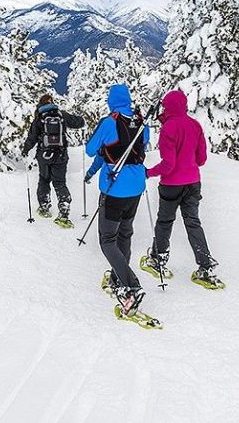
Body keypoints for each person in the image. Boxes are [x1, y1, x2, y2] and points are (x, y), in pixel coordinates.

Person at [142, 89, 221, 289]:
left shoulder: (168, 128)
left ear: (167, 107)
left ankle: (157, 259)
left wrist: (148, 172)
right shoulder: (195, 125)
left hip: (171, 185)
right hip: (193, 183)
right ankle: (205, 266)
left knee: (165, 221)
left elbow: (168, 164)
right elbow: (201, 159)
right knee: (193, 222)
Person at [85, 84, 151, 315]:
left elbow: (90, 150)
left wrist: (104, 145)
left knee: (107, 240)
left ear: (111, 101)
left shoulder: (109, 122)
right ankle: (117, 277)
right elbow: (143, 146)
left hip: (114, 189)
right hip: (136, 188)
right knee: (125, 233)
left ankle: (132, 286)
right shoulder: (143, 122)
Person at [21, 94, 85, 225]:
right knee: (60, 182)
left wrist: (25, 150)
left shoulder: (39, 118)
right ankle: (64, 211)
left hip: (44, 156)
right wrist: (82, 119)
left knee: (44, 180)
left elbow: (32, 138)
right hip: (61, 156)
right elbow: (79, 122)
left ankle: (44, 207)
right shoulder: (62, 115)